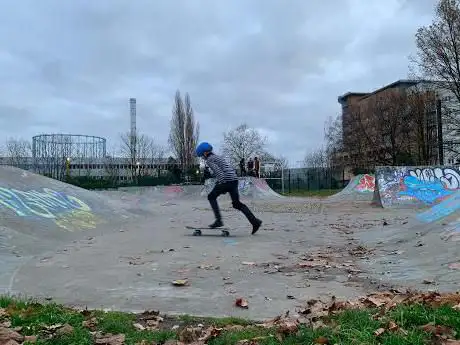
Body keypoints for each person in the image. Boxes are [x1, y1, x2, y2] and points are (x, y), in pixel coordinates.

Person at [195, 142, 262, 234]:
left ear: (205, 153)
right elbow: (228, 169)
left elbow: (219, 172)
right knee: (237, 204)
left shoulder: (209, 160)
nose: (202, 158)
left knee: (211, 196)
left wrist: (222, 184)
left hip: (226, 180)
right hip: (234, 180)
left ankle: (218, 220)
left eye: (202, 156)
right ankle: (255, 222)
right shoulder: (218, 157)